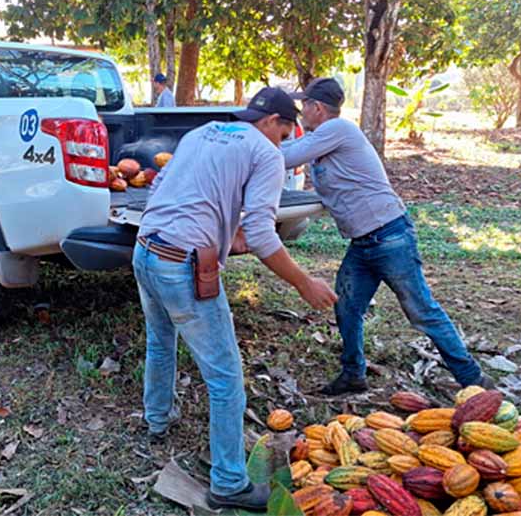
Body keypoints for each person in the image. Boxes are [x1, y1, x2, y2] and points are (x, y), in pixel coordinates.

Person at [133, 87, 338, 511]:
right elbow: (264, 233)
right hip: (183, 264)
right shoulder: (265, 153)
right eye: (285, 133)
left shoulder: (203, 132)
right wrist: (304, 283)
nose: (282, 142)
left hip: (146, 247)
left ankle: (156, 420)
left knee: (160, 339)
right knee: (225, 378)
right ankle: (228, 481)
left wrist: (223, 233)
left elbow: (177, 191)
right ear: (272, 124)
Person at [281, 77, 494, 396]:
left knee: (422, 311)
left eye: (304, 106)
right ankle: (354, 374)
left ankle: (474, 381)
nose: (300, 113)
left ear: (318, 108)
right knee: (348, 306)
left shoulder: (338, 130)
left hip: (388, 236)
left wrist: (252, 144)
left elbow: (286, 155)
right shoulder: (323, 142)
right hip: (365, 242)